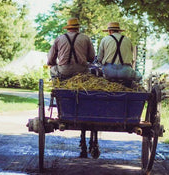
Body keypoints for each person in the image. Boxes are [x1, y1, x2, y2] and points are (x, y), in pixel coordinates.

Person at [47, 17, 97, 158]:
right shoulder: (86, 38)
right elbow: (92, 58)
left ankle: (58, 90)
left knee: (52, 70)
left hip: (64, 72)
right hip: (82, 71)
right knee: (92, 72)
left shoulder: (59, 39)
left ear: (68, 28)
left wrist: (53, 64)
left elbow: (51, 58)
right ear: (78, 28)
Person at [96, 22, 141, 86]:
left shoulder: (104, 40)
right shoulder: (128, 40)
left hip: (109, 72)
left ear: (109, 31)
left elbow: (99, 58)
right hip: (125, 72)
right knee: (139, 76)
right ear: (119, 31)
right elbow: (131, 58)